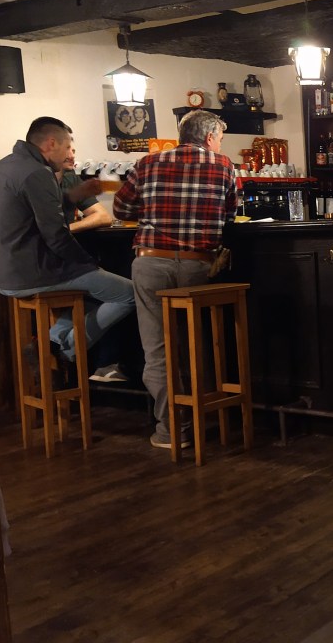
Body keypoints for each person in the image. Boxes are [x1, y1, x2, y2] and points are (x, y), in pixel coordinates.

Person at [113, 110, 237, 449]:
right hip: (198, 266)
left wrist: (153, 210)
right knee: (194, 344)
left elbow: (120, 210)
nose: (219, 144)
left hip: (151, 263)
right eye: (219, 139)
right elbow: (229, 214)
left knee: (158, 350)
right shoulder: (224, 165)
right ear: (209, 137)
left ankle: (173, 431)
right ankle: (205, 418)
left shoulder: (146, 163)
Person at [0, 116, 135, 384]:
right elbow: (56, 235)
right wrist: (89, 265)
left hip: (1, 274)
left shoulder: (1, 168)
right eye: (67, 147)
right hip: (34, 272)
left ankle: (51, 342)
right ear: (51, 143)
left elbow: (30, 208)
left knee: (94, 291)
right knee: (129, 293)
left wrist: (73, 195)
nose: (68, 154)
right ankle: (60, 348)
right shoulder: (37, 172)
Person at [57, 143, 112, 232]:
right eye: (66, 150)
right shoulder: (37, 179)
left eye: (73, 151)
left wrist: (67, 229)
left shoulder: (71, 178)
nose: (72, 156)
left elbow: (104, 216)